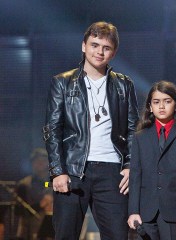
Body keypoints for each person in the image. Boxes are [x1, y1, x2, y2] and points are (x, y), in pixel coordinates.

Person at [43, 21, 139, 239]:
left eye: (106, 47)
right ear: (84, 46)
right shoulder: (63, 82)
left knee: (118, 235)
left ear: (113, 52)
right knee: (66, 234)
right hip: (74, 169)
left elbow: (134, 129)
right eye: (94, 45)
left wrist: (130, 165)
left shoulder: (124, 85)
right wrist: (57, 171)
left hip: (112, 171)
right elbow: (52, 128)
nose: (99, 52)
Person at [128, 81, 176, 240]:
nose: (161, 106)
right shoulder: (140, 137)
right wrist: (133, 211)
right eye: (156, 102)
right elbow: (135, 176)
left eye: (167, 101)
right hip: (145, 212)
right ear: (149, 107)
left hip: (175, 213)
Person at [15, 147, 54, 240]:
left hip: (56, 230)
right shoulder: (24, 185)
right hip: (34, 232)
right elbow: (19, 212)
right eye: (36, 161)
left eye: (43, 160)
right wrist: (41, 205)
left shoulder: (55, 182)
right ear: (32, 164)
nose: (40, 163)